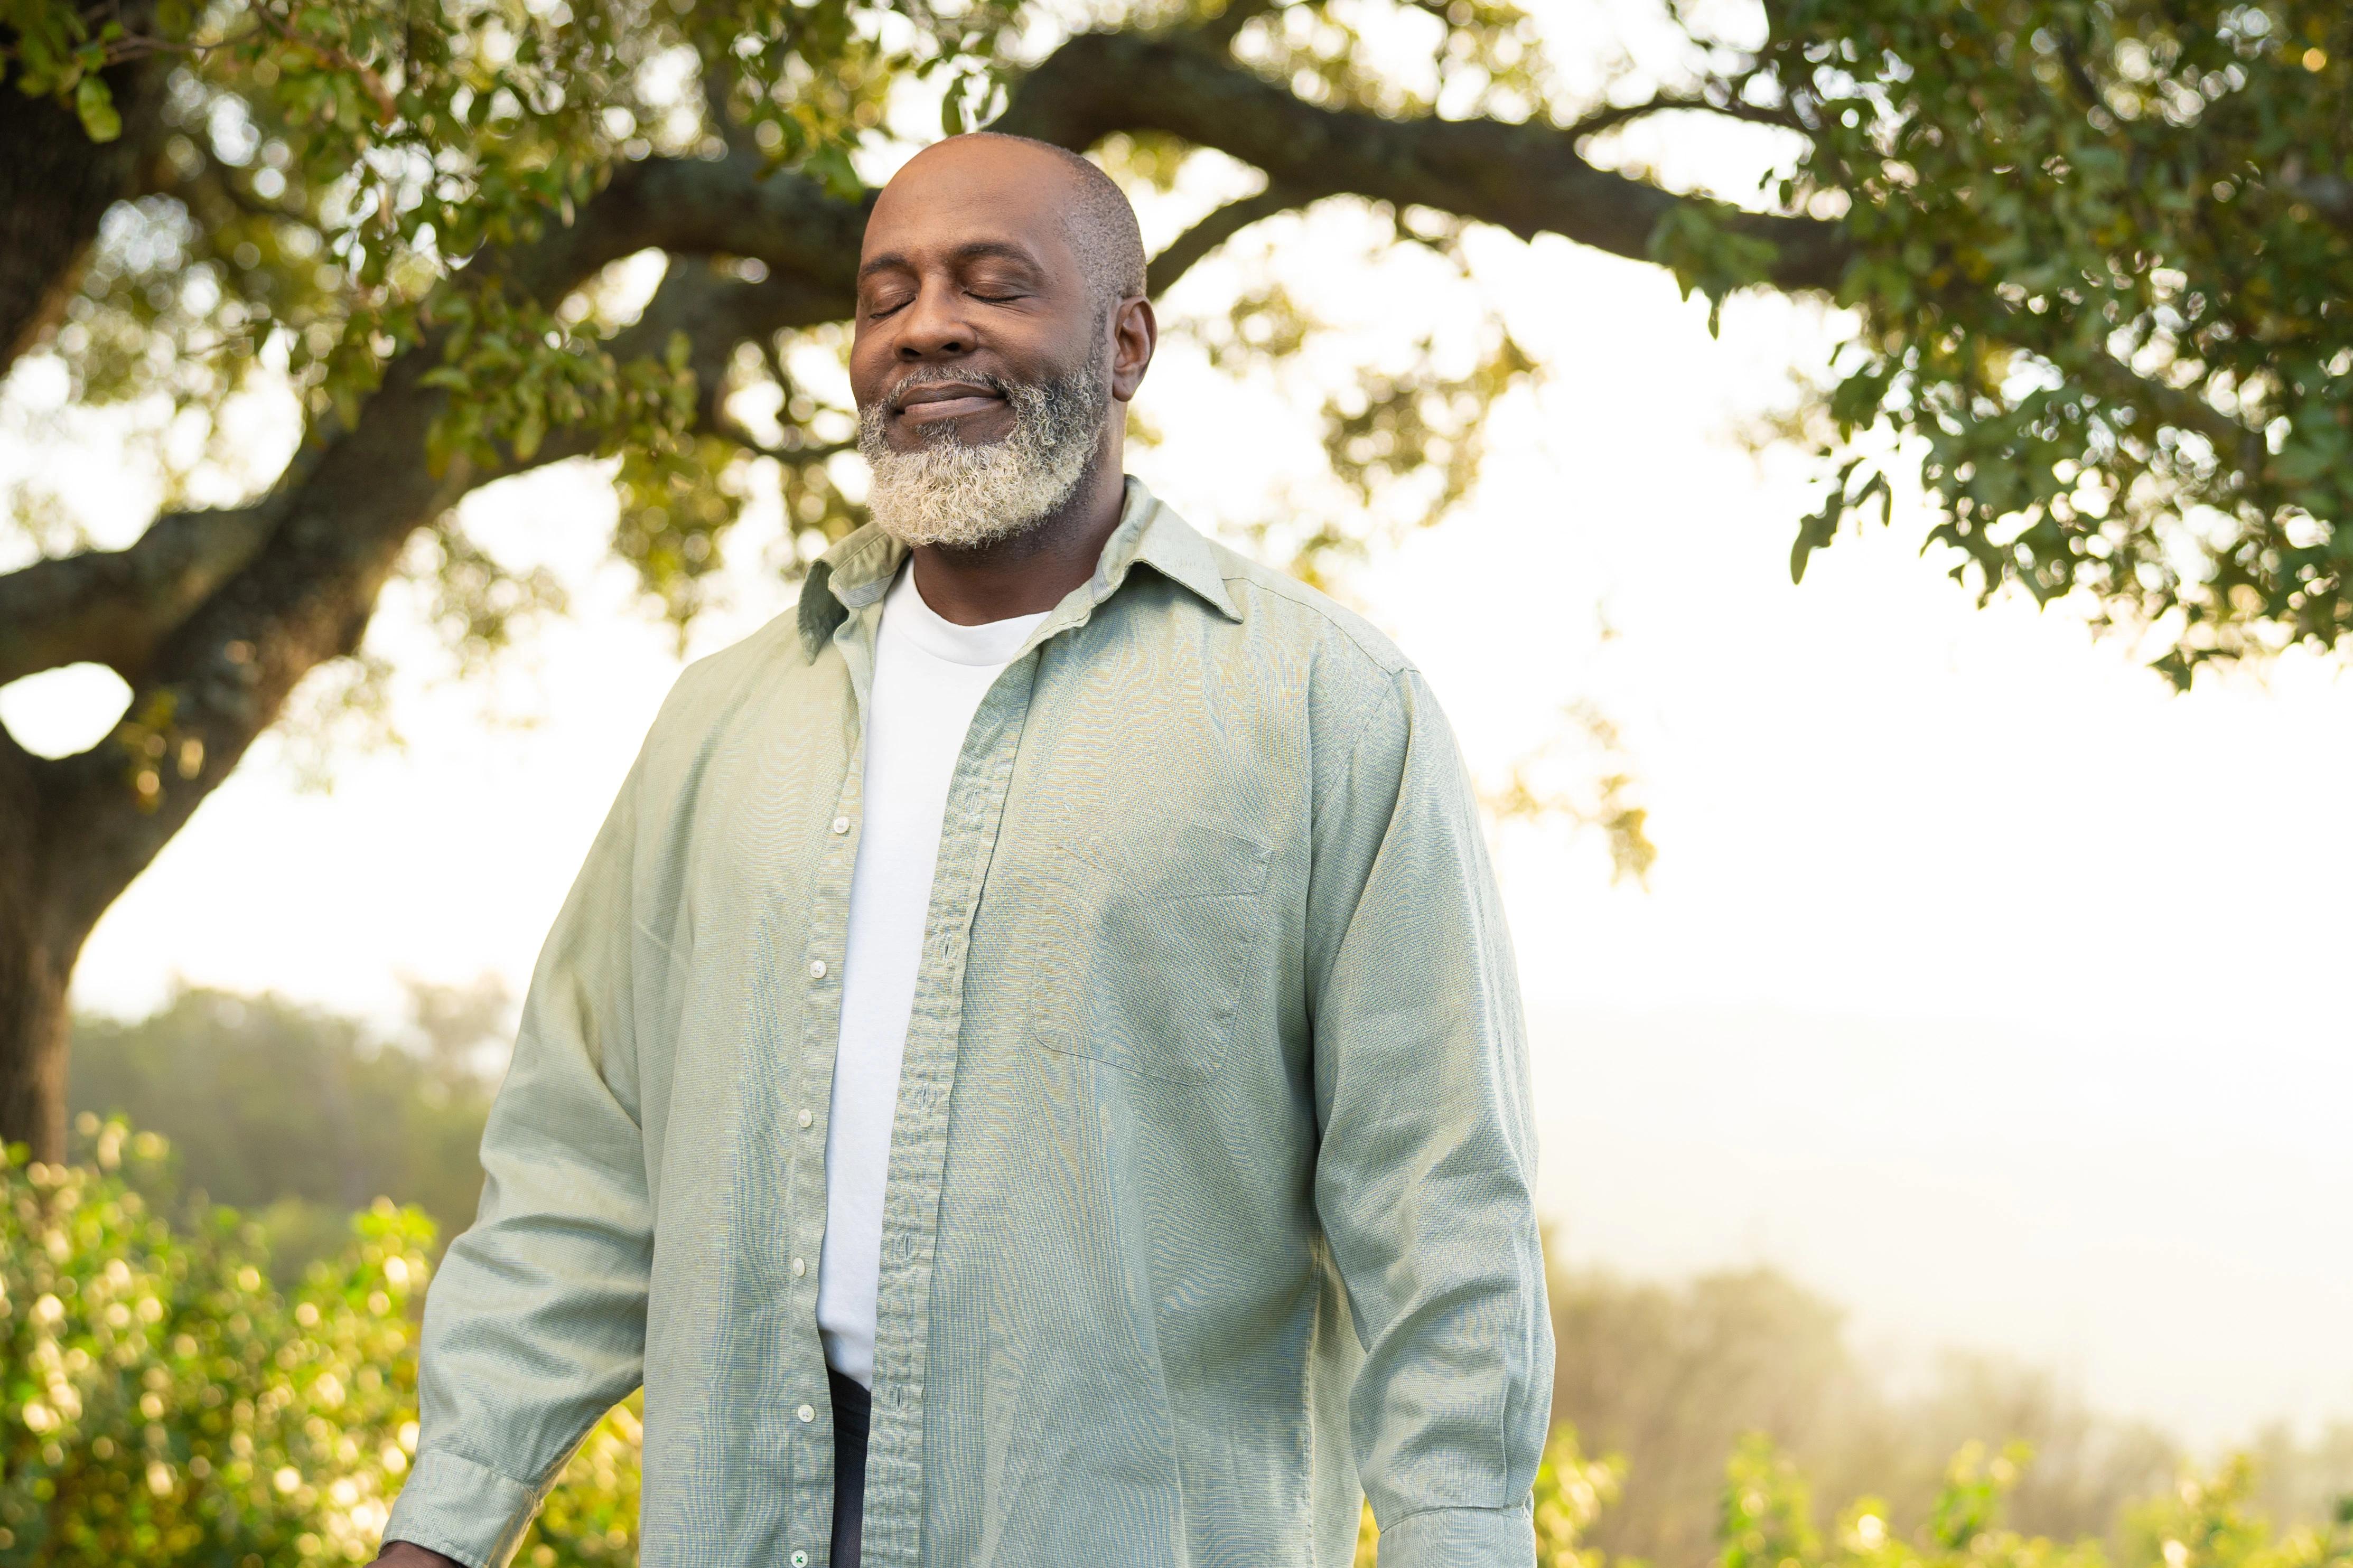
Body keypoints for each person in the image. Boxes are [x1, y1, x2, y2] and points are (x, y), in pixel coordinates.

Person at [369, 132, 1551, 1568]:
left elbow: (1442, 1218)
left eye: (995, 286)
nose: (928, 326)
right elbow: (581, 1163)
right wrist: (442, 1529)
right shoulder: (724, 720)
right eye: (886, 296)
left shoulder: (1329, 715)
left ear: (1125, 344)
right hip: (756, 1517)